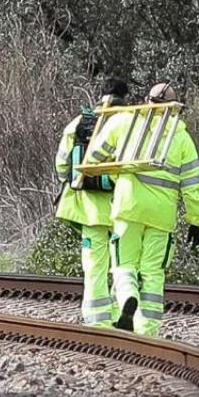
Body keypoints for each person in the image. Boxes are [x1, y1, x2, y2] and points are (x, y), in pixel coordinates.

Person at [84, 82, 199, 336]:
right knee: (153, 272)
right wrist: (195, 220)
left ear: (145, 99)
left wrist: (117, 169)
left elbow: (94, 157)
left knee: (123, 263)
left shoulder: (124, 121)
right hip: (162, 214)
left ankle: (128, 295)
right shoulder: (181, 136)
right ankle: (148, 331)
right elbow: (193, 183)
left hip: (128, 206)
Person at [54, 78, 129, 327]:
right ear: (125, 97)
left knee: (94, 266)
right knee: (124, 265)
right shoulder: (131, 123)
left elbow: (63, 165)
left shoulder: (80, 123)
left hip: (89, 210)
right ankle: (121, 315)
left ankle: (96, 322)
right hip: (123, 208)